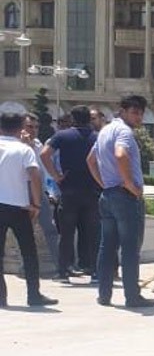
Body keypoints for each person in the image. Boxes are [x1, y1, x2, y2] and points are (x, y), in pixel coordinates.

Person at [88, 93, 154, 310]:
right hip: (124, 197)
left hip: (108, 195)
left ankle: (104, 294)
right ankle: (132, 296)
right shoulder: (124, 132)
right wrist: (129, 184)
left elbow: (90, 160)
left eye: (140, 113)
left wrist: (104, 183)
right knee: (129, 248)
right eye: (134, 112)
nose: (138, 117)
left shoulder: (105, 130)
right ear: (123, 111)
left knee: (107, 246)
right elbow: (120, 154)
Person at [0, 107, 56, 308]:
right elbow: (34, 175)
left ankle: (1, 297)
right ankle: (33, 294)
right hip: (19, 207)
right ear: (19, 128)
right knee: (29, 252)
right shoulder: (24, 149)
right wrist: (36, 203)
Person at [43, 104, 101, 281]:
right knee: (93, 234)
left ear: (73, 118)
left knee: (66, 234)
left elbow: (45, 154)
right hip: (92, 191)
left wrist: (56, 176)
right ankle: (95, 271)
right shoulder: (97, 137)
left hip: (68, 190)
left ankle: (63, 271)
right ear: (88, 119)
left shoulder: (62, 135)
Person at [19, 113, 62, 278]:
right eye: (30, 126)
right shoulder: (15, 145)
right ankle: (25, 268)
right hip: (21, 194)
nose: (34, 130)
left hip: (39, 193)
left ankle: (61, 266)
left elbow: (42, 172)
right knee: (24, 232)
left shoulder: (38, 145)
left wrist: (49, 191)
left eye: (36, 127)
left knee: (50, 229)